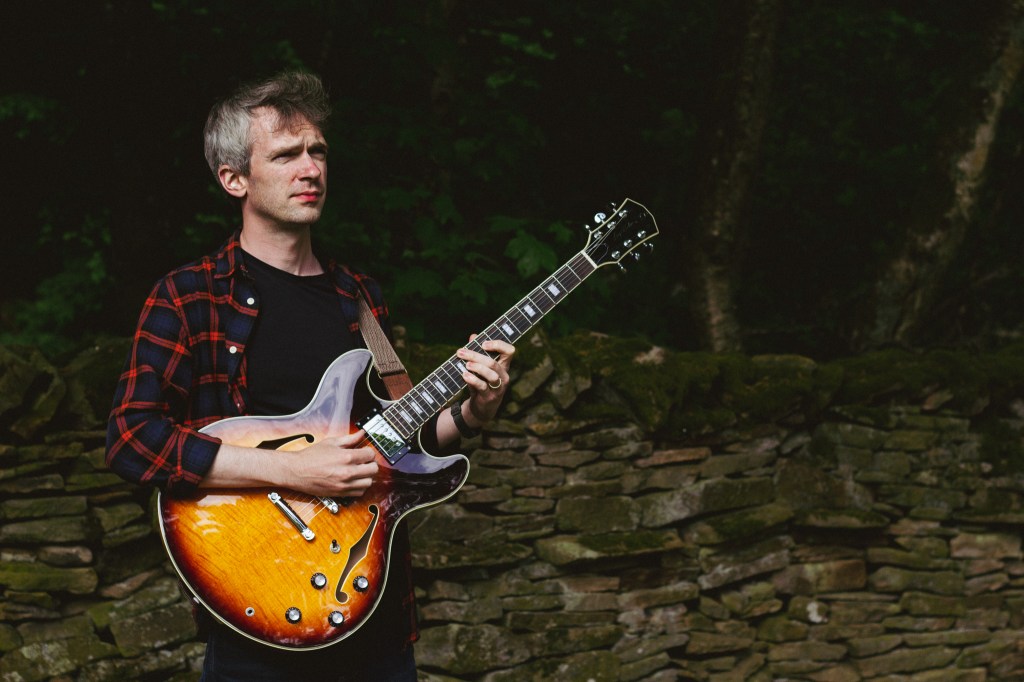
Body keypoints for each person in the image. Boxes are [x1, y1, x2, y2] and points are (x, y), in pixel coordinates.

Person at [106, 70, 514, 681]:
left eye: (317, 151)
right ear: (234, 178)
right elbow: (132, 439)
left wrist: (474, 413)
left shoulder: (359, 297)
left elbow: (393, 443)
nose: (310, 169)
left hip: (373, 617)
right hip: (257, 615)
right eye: (285, 155)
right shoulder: (190, 296)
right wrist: (291, 470)